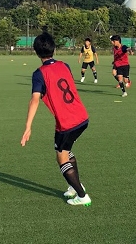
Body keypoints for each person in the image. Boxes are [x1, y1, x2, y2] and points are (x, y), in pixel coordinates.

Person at [20, 32, 91, 206]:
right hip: (82, 117)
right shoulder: (64, 65)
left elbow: (35, 99)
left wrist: (28, 126)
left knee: (61, 157)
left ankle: (82, 196)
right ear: (54, 49)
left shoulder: (39, 74)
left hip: (67, 123)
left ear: (36, 52)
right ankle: (74, 186)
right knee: (65, 150)